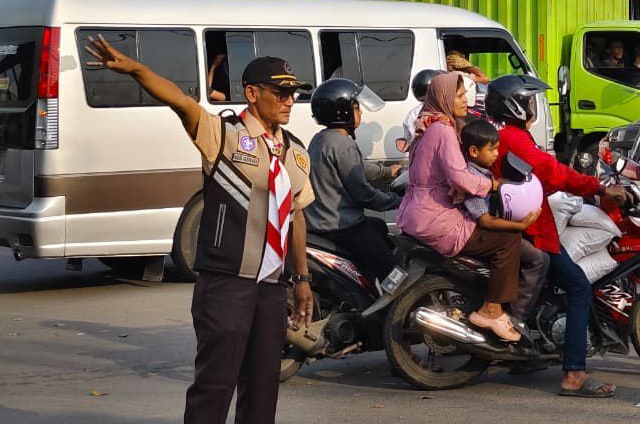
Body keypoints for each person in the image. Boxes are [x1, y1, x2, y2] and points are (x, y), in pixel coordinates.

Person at [84, 38, 314, 424]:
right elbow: (180, 101)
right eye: (282, 92)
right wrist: (138, 70)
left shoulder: (295, 152)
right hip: (227, 285)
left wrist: (302, 277)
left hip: (272, 289)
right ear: (252, 93)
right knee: (215, 386)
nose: (290, 100)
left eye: (294, 92)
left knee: (262, 390)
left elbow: (296, 215)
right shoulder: (221, 135)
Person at [486, 73, 626, 398]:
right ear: (516, 105)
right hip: (532, 228)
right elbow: (551, 172)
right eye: (529, 100)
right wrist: (598, 186)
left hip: (525, 221)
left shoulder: (508, 136)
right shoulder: (514, 138)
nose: (533, 106)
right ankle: (574, 374)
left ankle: (523, 356)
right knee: (578, 287)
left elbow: (546, 177)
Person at [396, 72, 525, 342]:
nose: (466, 99)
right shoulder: (442, 130)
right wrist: (493, 185)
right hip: (436, 219)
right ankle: (492, 309)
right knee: (508, 239)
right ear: (444, 98)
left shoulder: (429, 125)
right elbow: (459, 177)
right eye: (459, 95)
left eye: (466, 94)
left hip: (417, 214)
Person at [304, 78, 403, 289]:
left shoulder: (321, 139)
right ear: (343, 112)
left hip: (320, 220)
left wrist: (387, 171)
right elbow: (364, 194)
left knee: (377, 226)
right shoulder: (343, 144)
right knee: (391, 270)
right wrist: (398, 201)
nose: (361, 113)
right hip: (340, 225)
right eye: (356, 108)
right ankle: (395, 306)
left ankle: (365, 285)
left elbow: (356, 168)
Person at [459, 118, 548, 314]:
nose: (496, 154)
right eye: (492, 150)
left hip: (481, 232)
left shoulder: (484, 173)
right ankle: (517, 316)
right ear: (474, 151)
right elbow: (485, 220)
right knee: (538, 259)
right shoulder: (473, 178)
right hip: (479, 234)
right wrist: (521, 225)